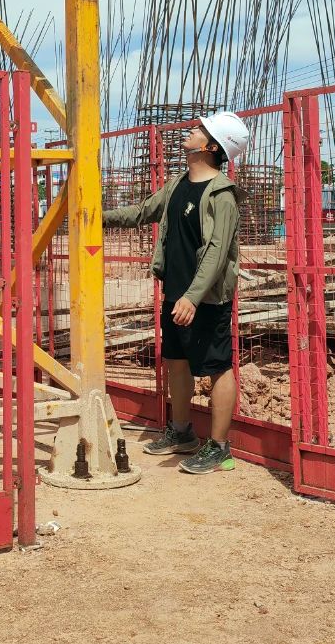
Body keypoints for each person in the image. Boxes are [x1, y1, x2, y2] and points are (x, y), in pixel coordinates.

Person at [103, 111, 249, 474]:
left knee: (217, 367)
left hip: (206, 299)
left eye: (200, 129)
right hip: (176, 293)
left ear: (211, 146)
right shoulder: (178, 184)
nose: (191, 130)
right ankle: (182, 432)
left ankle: (220, 447)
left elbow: (216, 253)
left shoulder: (222, 196)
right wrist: (97, 215)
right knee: (177, 361)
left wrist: (192, 297)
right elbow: (143, 212)